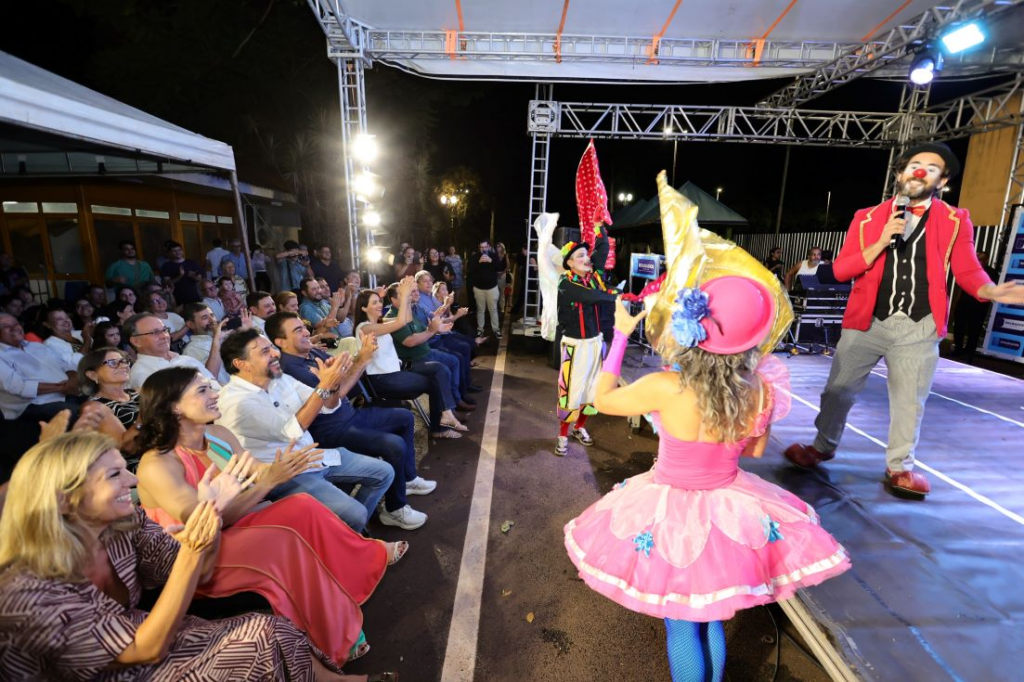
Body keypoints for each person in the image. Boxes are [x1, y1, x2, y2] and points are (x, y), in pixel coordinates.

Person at [567, 278, 850, 682]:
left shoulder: (668, 386)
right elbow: (752, 452)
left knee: (681, 624)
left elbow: (602, 398)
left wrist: (620, 334)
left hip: (669, 510)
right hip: (729, 506)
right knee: (711, 614)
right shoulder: (760, 388)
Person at [0, 432, 377, 681]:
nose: (131, 484)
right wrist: (196, 544)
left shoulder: (122, 524)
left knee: (274, 629)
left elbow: (202, 566)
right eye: (114, 475)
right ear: (65, 500)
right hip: (118, 665)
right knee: (256, 646)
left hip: (145, 633)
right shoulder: (24, 593)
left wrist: (210, 515)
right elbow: (145, 649)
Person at [783, 142, 1024, 499]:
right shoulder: (866, 218)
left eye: (931, 167)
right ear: (900, 174)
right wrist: (881, 240)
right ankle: (823, 444)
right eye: (914, 164)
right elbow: (841, 270)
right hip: (866, 321)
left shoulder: (956, 221)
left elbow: (967, 268)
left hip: (919, 324)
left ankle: (900, 467)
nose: (920, 170)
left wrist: (989, 292)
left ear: (941, 180)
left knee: (909, 399)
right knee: (838, 390)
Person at [135, 367, 403, 666]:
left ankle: (360, 569)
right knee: (283, 542)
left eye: (210, 387)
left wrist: (283, 467)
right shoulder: (157, 463)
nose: (214, 394)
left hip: (230, 526)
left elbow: (256, 472)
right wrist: (267, 482)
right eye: (202, 391)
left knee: (302, 504)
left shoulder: (218, 435)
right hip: (196, 554)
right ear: (173, 406)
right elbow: (204, 523)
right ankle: (332, 638)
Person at [215, 329, 395, 532]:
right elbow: (292, 430)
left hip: (312, 456)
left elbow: (327, 405)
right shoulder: (235, 402)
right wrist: (324, 385)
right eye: (265, 351)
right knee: (356, 513)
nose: (276, 354)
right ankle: (350, 537)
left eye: (272, 348)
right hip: (285, 474)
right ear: (241, 364)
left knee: (384, 473)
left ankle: (348, 533)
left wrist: (332, 384)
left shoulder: (278, 379)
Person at [269, 312, 435, 529]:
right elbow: (333, 397)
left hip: (349, 416)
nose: (306, 332)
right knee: (392, 445)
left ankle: (407, 478)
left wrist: (354, 361)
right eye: (297, 330)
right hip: (332, 430)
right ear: (280, 342)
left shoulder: (310, 353)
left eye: (303, 327)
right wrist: (362, 360)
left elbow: (340, 383)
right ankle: (394, 509)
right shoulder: (292, 368)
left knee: (403, 417)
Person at [355, 283, 468, 439]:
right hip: (383, 380)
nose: (379, 305)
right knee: (435, 380)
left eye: (379, 301)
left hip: (397, 372)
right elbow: (401, 322)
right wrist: (406, 292)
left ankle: (445, 418)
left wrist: (407, 297)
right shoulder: (364, 328)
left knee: (438, 371)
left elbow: (406, 318)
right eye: (374, 302)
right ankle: (442, 423)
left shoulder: (379, 324)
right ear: (363, 308)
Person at [553, 231, 618, 456]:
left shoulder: (593, 277)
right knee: (570, 391)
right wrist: (615, 296)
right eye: (580, 256)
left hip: (594, 343)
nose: (586, 259)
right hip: (574, 346)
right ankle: (563, 434)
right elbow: (590, 297)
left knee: (592, 390)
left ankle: (580, 427)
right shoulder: (565, 283)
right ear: (570, 263)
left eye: (585, 255)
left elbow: (601, 252)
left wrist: (601, 230)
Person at [386, 284, 475, 414]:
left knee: (454, 360)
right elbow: (410, 341)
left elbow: (427, 327)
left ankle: (457, 399)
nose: (410, 295)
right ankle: (450, 412)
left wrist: (437, 330)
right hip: (412, 360)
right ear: (393, 300)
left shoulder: (410, 310)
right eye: (405, 294)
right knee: (442, 370)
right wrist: (432, 330)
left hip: (426, 351)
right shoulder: (392, 317)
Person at [0, 312, 81, 423]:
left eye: (16, 323)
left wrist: (73, 379)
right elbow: (18, 387)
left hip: (68, 392)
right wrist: (63, 387)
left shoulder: (36, 346)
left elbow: (65, 365)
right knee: (80, 413)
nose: (14, 328)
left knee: (100, 399)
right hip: (35, 404)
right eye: (5, 326)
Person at [125, 313, 219, 390]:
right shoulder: (141, 374)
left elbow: (214, 384)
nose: (164, 336)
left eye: (165, 330)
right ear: (136, 341)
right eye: (155, 332)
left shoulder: (186, 359)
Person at [79, 346, 142, 458]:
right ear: (92, 375)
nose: (123, 366)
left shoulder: (138, 392)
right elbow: (127, 447)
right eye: (113, 363)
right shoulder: (95, 407)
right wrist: (145, 418)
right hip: (138, 463)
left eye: (123, 361)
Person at [951, 250, 1000, 361]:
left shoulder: (991, 272)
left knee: (974, 330)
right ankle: (958, 349)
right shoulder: (969, 269)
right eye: (976, 258)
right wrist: (956, 301)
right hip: (963, 303)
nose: (978, 261)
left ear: (986, 261)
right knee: (959, 327)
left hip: (979, 306)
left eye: (981, 259)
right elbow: (961, 286)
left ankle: (969, 352)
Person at [181, 302, 236, 384]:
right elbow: (210, 378)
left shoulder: (224, 336)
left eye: (212, 315)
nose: (212, 320)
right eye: (205, 318)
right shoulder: (191, 350)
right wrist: (217, 339)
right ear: (191, 324)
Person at [469, 239, 501, 339]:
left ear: (489, 247)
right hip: (479, 288)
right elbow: (470, 269)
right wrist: (479, 262)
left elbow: (499, 268)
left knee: (493, 309)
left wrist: (490, 261)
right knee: (480, 310)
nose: (483, 249)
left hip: (492, 288)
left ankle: (496, 329)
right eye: (481, 247)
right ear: (479, 247)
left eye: (485, 247)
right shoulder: (475, 257)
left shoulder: (494, 256)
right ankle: (480, 329)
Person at [494, 242, 510, 312]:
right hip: (495, 275)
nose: (497, 247)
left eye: (499, 246)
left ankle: (502, 307)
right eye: (497, 246)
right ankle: (494, 306)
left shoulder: (505, 255)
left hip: (502, 275)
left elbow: (508, 266)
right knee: (494, 292)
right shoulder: (494, 255)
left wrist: (501, 274)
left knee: (502, 292)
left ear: (502, 248)